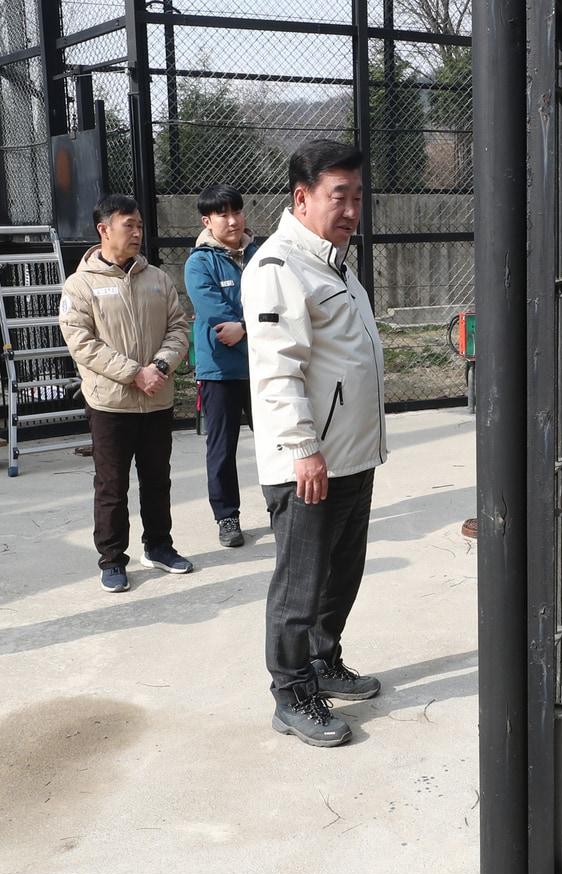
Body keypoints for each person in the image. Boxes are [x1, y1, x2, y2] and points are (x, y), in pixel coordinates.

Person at [244, 139, 388, 747]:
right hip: (310, 462)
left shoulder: (335, 264)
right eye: (339, 196)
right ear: (301, 199)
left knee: (341, 575)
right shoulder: (280, 268)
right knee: (300, 583)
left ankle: (325, 660)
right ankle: (291, 689)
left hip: (351, 456)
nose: (352, 209)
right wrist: (303, 448)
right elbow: (278, 370)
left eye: (358, 197)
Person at [59, 194, 194, 593]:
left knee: (158, 479)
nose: (137, 233)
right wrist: (134, 373)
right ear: (104, 230)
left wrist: (161, 368)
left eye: (139, 225)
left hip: (157, 398)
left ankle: (159, 546)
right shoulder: (80, 284)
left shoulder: (157, 279)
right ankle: (112, 559)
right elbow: (81, 342)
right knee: (112, 486)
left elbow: (179, 328)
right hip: (110, 403)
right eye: (128, 225)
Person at [185, 184, 260, 547]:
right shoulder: (199, 262)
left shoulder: (263, 253)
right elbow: (217, 318)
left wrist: (246, 327)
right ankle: (227, 516)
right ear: (207, 220)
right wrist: (258, 327)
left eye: (237, 211)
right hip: (220, 372)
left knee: (278, 441)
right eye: (222, 214)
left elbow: (281, 304)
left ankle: (284, 509)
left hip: (264, 366)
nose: (232, 220)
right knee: (222, 448)